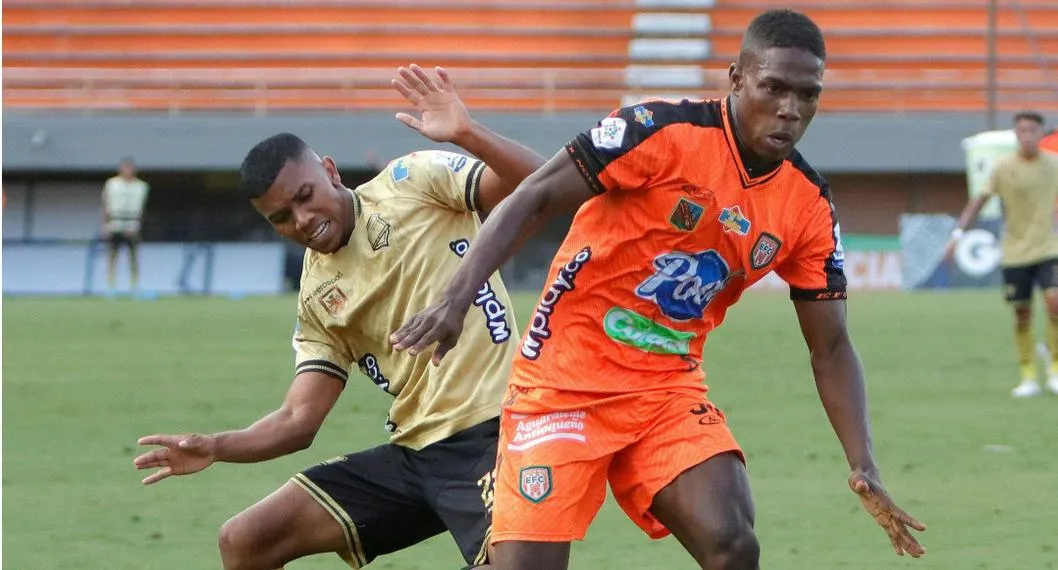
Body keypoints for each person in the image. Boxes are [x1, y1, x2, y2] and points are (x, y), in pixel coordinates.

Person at [391, 10, 926, 569]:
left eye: (808, 95)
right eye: (774, 87)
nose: (790, 109)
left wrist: (863, 462)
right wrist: (454, 301)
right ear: (737, 78)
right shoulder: (660, 130)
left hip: (665, 390)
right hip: (563, 382)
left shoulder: (808, 205)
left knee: (732, 543)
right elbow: (535, 195)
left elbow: (832, 347)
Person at [133, 65, 546, 570]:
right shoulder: (316, 295)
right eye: (281, 218)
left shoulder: (412, 182)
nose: (301, 220)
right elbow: (297, 420)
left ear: (329, 171)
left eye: (304, 197)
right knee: (245, 540)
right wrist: (217, 446)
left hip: (496, 434)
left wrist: (466, 132)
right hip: (414, 453)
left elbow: (539, 183)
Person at [946, 111, 1058, 397]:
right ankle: (1028, 375)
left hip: (1048, 248)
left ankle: (1055, 370)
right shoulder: (1002, 168)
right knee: (1022, 314)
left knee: (1055, 302)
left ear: (1041, 133)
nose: (1028, 135)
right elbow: (978, 201)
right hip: (1015, 253)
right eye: (1022, 130)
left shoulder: (1053, 165)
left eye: (1033, 130)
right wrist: (957, 235)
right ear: (1016, 134)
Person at [101, 157, 150, 291]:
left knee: (133, 257)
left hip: (131, 222)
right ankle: (110, 286)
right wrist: (105, 225)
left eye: (130, 168)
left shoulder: (141, 186)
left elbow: (142, 207)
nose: (127, 170)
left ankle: (134, 286)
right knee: (112, 256)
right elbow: (106, 204)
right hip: (115, 221)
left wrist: (137, 224)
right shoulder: (112, 184)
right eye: (125, 168)